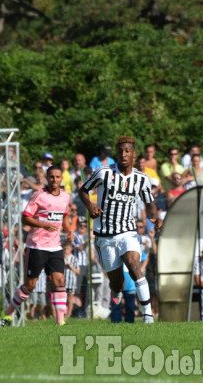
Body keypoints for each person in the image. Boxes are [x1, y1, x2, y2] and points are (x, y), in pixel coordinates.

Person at [79, 136, 163, 324]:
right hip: (104, 236)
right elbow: (82, 190)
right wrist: (91, 205)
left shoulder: (141, 179)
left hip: (128, 231)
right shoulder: (103, 173)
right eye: (120, 151)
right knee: (117, 283)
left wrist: (155, 217)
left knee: (134, 266)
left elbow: (150, 203)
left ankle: (148, 315)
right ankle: (116, 290)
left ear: (134, 154)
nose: (123, 154)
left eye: (127, 151)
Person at [1, 166, 74, 326]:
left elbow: (65, 216)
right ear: (47, 178)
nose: (55, 180)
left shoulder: (65, 197)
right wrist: (43, 225)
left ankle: (60, 322)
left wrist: (69, 231)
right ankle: (7, 314)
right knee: (30, 285)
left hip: (55, 247)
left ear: (62, 178)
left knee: (59, 281)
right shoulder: (39, 195)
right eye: (51, 177)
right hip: (37, 246)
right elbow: (25, 218)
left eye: (57, 177)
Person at [63, 241, 80, 318]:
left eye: (68, 248)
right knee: (62, 299)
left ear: (71, 249)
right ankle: (61, 313)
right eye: (65, 248)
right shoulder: (60, 258)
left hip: (71, 282)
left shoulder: (74, 259)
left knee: (70, 299)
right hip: (62, 282)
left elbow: (78, 271)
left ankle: (69, 314)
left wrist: (70, 266)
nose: (66, 250)